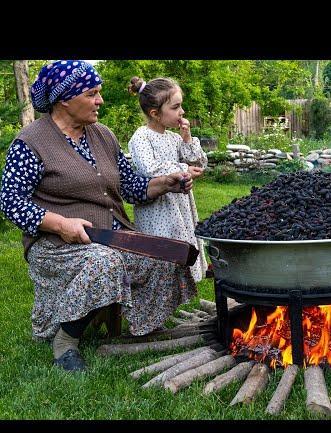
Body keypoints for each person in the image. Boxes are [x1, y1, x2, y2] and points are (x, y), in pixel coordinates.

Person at [0, 60, 198, 372]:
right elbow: (10, 201)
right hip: (56, 245)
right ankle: (66, 340)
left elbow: (131, 187)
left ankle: (142, 326)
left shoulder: (103, 135)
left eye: (99, 93)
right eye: (92, 94)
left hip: (113, 236)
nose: (100, 101)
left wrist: (165, 183)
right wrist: (60, 224)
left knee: (167, 252)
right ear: (66, 99)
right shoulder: (31, 142)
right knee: (105, 262)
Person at [127, 76, 208, 282]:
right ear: (155, 113)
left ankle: (180, 289)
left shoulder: (174, 138)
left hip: (179, 205)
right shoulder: (141, 137)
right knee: (162, 249)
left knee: (181, 244)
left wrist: (187, 138)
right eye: (176, 107)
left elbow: (198, 163)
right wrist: (184, 169)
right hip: (157, 207)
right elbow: (149, 169)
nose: (182, 112)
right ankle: (158, 291)